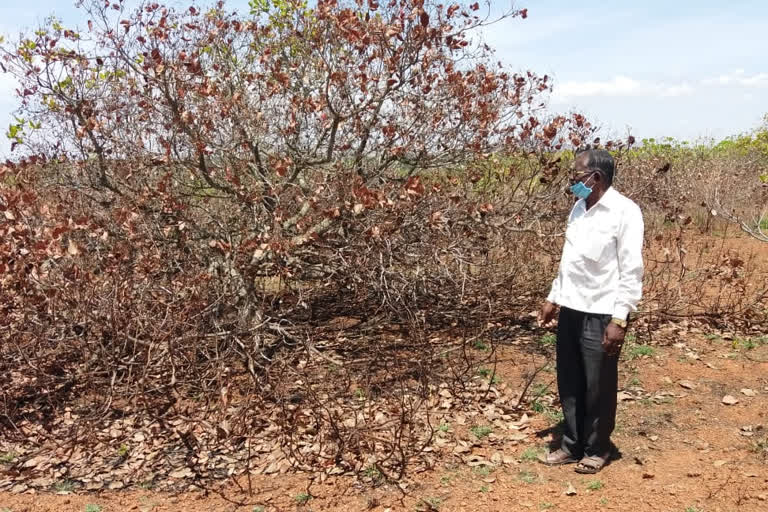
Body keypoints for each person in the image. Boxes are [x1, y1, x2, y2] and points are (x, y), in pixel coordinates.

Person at [537, 148, 644, 474]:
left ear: (595, 177)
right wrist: (554, 297)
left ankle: (597, 449)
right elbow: (569, 262)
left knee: (598, 385)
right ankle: (571, 445)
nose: (572, 182)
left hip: (602, 313)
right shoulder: (579, 210)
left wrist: (619, 318)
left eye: (576, 176)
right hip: (572, 308)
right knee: (570, 381)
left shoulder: (625, 212)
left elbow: (631, 269)